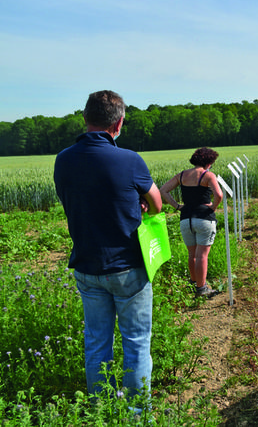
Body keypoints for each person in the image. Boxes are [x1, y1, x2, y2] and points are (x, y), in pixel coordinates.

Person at [54, 90, 162, 402]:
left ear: (85, 118)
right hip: (128, 266)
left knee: (96, 342)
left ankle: (100, 409)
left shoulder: (63, 159)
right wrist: (136, 205)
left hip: (87, 266)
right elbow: (155, 204)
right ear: (119, 124)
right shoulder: (129, 159)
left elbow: (76, 202)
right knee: (137, 342)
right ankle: (137, 413)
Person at [160, 147, 223, 298]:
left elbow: (163, 190)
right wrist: (213, 207)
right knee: (202, 255)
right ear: (208, 162)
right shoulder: (208, 175)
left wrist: (177, 206)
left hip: (186, 218)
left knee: (192, 254)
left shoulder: (182, 175)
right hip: (203, 218)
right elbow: (219, 194)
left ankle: (194, 283)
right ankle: (202, 289)